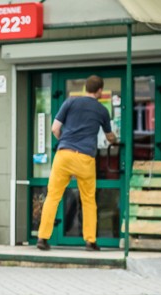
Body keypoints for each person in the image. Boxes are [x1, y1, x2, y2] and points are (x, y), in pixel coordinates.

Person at [37, 75, 117, 252]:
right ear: (99, 91)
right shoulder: (101, 110)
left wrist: (64, 141)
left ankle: (42, 238)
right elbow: (109, 136)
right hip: (85, 157)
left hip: (63, 155)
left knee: (53, 197)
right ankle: (90, 241)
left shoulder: (70, 102)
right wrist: (115, 141)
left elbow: (55, 129)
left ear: (84, 88)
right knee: (88, 200)